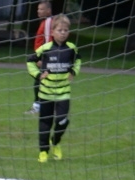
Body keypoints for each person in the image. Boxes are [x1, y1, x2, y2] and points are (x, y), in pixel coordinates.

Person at [28, 14, 78, 162]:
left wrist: (74, 71)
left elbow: (78, 61)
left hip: (63, 93)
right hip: (46, 93)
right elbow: (30, 61)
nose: (63, 33)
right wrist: (38, 75)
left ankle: (55, 141)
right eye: (59, 30)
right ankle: (43, 151)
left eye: (65, 30)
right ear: (53, 32)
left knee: (63, 121)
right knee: (45, 123)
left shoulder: (71, 48)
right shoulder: (45, 48)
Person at [29, 0, 52, 115]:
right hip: (42, 57)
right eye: (38, 9)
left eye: (42, 9)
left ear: (48, 11)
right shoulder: (44, 22)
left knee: (39, 81)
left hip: (45, 59)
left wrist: (41, 59)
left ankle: (38, 106)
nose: (39, 11)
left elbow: (48, 42)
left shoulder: (48, 23)